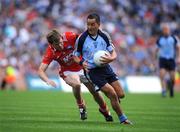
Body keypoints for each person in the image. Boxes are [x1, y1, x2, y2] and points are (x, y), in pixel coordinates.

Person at [38, 29, 113, 121]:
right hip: (68, 71)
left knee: (95, 92)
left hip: (82, 66)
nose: (61, 46)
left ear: (62, 38)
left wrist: (98, 32)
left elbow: (84, 38)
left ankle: (104, 110)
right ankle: (81, 106)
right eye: (57, 45)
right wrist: (47, 80)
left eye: (61, 42)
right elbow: (41, 70)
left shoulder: (70, 36)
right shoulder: (50, 52)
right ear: (51, 44)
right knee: (76, 84)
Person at [73, 13, 132, 124]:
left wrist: (111, 58)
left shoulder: (105, 36)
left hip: (106, 68)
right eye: (88, 24)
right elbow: (75, 56)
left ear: (98, 24)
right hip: (92, 71)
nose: (90, 27)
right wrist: (81, 63)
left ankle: (112, 100)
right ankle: (123, 119)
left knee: (120, 94)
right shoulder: (82, 38)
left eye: (92, 24)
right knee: (112, 94)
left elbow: (113, 52)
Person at [155, 23, 180, 97]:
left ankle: (171, 88)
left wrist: (178, 57)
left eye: (167, 29)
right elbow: (156, 50)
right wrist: (155, 58)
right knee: (162, 75)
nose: (165, 31)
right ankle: (163, 91)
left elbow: (178, 48)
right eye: (164, 30)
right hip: (162, 59)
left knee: (172, 77)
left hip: (171, 59)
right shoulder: (160, 39)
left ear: (169, 30)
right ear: (163, 31)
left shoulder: (174, 38)